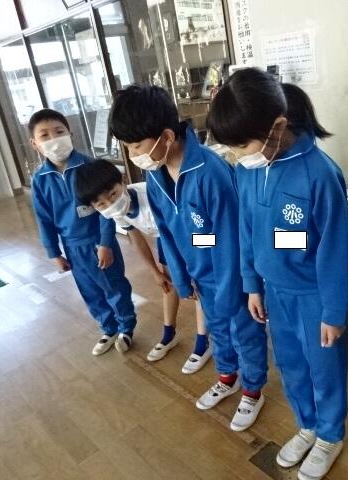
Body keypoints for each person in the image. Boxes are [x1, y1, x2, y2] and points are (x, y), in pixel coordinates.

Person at [208, 70, 348, 480]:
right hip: (274, 292)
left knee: (324, 370)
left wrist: (333, 312)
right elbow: (247, 230)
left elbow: (335, 250)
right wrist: (252, 285)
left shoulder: (320, 174)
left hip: (314, 296)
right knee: (291, 366)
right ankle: (307, 425)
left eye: (241, 145)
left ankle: (330, 435)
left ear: (278, 126)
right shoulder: (248, 169)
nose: (237, 155)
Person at [109, 85, 269, 432]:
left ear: (167, 137)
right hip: (200, 274)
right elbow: (166, 231)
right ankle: (227, 377)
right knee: (218, 330)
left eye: (136, 146)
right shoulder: (155, 175)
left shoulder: (211, 172)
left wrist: (231, 289)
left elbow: (228, 238)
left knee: (243, 331)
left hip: (232, 275)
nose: (133, 155)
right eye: (127, 147)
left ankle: (253, 390)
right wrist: (181, 276)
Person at [75, 160, 212, 374]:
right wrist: (155, 272)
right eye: (101, 204)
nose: (111, 204)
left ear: (123, 181)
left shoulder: (152, 196)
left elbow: (188, 235)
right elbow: (136, 238)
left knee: (199, 286)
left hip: (193, 236)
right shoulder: (117, 212)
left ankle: (204, 342)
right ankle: (169, 333)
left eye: (113, 194)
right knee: (167, 284)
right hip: (166, 239)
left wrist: (185, 275)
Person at [29, 109, 136, 356]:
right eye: (45, 135)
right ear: (35, 144)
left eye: (59, 132)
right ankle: (108, 328)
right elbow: (43, 218)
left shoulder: (89, 166)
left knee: (113, 285)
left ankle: (126, 327)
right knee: (89, 290)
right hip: (72, 245)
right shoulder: (40, 179)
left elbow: (106, 209)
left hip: (98, 240)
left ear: (70, 133)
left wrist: (106, 243)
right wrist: (54, 252)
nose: (54, 139)